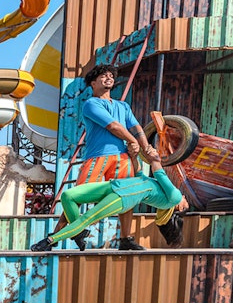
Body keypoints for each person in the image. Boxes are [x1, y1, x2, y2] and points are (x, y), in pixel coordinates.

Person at [32, 147, 183, 252]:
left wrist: (153, 156)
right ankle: (77, 233)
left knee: (87, 217)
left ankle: (49, 241)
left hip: (123, 197)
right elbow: (139, 175)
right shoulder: (163, 196)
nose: (185, 201)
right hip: (115, 185)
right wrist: (134, 156)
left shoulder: (174, 198)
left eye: (185, 205)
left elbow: (159, 172)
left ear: (177, 210)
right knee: (68, 196)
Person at [73, 64, 154, 250]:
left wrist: (146, 147)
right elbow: (113, 127)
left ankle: (126, 239)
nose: (109, 78)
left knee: (127, 197)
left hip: (122, 157)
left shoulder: (123, 106)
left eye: (111, 75)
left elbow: (136, 127)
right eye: (103, 76)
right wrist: (134, 142)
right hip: (98, 156)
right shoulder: (91, 104)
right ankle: (59, 234)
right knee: (77, 196)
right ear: (93, 83)